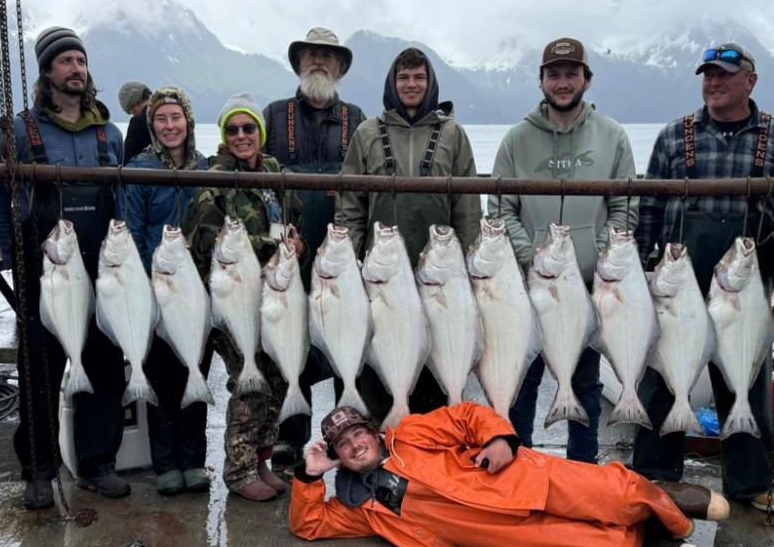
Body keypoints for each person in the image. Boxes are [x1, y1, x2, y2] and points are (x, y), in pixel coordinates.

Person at [630, 42, 774, 514]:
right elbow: (649, 210)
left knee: (745, 380)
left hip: (744, 284)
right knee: (664, 374)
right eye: (708, 75)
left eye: (724, 75)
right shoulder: (673, 137)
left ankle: (752, 483)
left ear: (750, 81)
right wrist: (642, 271)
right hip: (679, 283)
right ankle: (653, 473)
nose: (714, 83)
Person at [290, 406, 726, 547]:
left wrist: (501, 439)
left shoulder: (409, 434)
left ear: (373, 431)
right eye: (343, 446)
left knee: (621, 494)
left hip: (512, 478)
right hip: (496, 534)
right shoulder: (358, 506)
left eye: (357, 435)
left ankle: (667, 505)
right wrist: (309, 478)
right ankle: (644, 526)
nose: (354, 445)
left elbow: (467, 417)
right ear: (338, 459)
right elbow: (308, 525)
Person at [0, 26, 130, 509]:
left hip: (102, 269)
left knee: (106, 368)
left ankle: (97, 462)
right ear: (46, 72)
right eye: (65, 61)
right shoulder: (17, 132)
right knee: (39, 371)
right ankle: (39, 469)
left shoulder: (110, 133)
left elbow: (123, 202)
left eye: (81, 61)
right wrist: (14, 255)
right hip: (46, 270)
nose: (75, 69)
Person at [491, 37, 636, 463]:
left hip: (589, 286)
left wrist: (602, 254)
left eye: (571, 73)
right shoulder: (516, 140)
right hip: (528, 289)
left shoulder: (612, 136)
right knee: (522, 381)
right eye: (554, 74)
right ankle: (519, 466)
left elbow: (625, 206)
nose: (562, 81)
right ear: (541, 81)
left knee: (586, 385)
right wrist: (533, 257)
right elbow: (500, 208)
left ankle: (583, 469)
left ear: (587, 80)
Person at [338, 46, 481, 424]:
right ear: (392, 83)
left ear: (430, 82)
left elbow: (467, 204)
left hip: (439, 272)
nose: (411, 84)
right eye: (404, 78)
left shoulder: (454, 134)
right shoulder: (367, 133)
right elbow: (351, 202)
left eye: (419, 77)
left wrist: (468, 260)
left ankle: (431, 450)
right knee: (376, 356)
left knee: (436, 358)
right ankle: (375, 450)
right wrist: (349, 258)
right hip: (380, 273)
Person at [184, 93, 304, 501]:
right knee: (250, 385)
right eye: (232, 130)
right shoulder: (213, 179)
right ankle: (237, 471)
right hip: (230, 302)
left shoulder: (273, 171)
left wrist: (294, 242)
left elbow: (293, 214)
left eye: (248, 128)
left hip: (269, 299)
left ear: (260, 132)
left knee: (273, 380)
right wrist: (275, 245)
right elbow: (210, 238)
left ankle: (260, 460)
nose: (240, 136)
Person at [264, 27, 368, 465]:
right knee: (290, 337)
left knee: (342, 337)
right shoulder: (272, 114)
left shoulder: (358, 117)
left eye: (328, 56)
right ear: (299, 63)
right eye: (311, 55)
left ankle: (351, 438)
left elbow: (365, 188)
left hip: (339, 246)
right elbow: (260, 181)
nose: (319, 62)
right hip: (289, 249)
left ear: (340, 67)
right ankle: (291, 439)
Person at [122, 87, 211, 495]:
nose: (170, 126)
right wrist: (149, 281)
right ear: (151, 125)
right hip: (157, 290)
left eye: (176, 117)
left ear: (188, 122)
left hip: (197, 294)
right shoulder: (138, 170)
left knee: (196, 372)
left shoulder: (206, 169)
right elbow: (133, 232)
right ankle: (165, 464)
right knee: (159, 377)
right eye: (161, 119)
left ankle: (194, 460)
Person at [118, 80, 152, 162]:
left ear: (134, 104)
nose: (133, 115)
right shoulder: (171, 112)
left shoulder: (138, 123)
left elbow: (126, 158)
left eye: (131, 111)